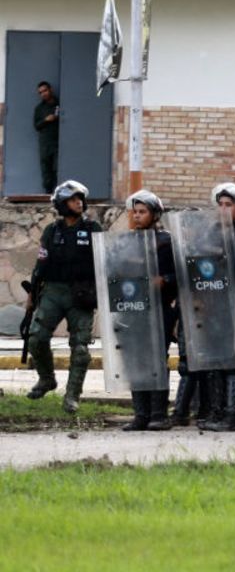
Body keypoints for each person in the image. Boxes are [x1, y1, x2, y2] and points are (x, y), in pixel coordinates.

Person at [24, 180, 100, 413]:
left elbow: (105, 262)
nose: (79, 203)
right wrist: (33, 294)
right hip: (54, 292)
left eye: (80, 199)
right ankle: (46, 379)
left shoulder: (93, 229)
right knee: (36, 338)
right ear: (61, 204)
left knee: (80, 348)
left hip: (82, 294)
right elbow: (41, 263)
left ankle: (72, 395)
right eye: (73, 199)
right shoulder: (51, 231)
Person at [121, 190, 178, 431]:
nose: (137, 216)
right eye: (135, 211)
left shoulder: (166, 241)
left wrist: (164, 279)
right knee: (136, 361)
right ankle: (140, 414)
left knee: (156, 359)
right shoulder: (128, 241)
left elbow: (181, 274)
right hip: (134, 309)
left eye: (142, 211)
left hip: (160, 307)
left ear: (154, 214)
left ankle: (159, 414)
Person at [199, 183, 235, 432]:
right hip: (214, 304)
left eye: (229, 205)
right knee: (215, 361)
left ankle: (234, 415)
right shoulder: (210, 233)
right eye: (220, 204)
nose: (223, 210)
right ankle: (216, 411)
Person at [33, 81, 60, 194]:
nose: (43, 94)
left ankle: (60, 192)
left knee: (58, 167)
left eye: (45, 91)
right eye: (40, 92)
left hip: (59, 141)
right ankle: (48, 193)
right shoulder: (39, 108)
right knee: (46, 168)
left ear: (50, 90)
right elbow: (36, 126)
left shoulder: (59, 103)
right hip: (45, 142)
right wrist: (46, 120)